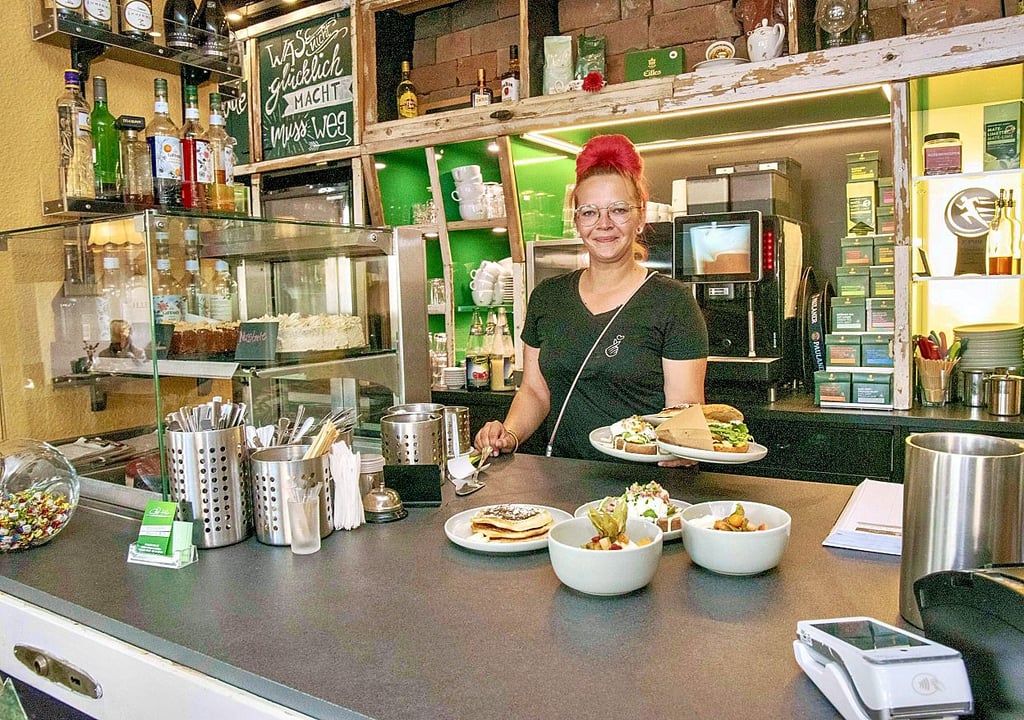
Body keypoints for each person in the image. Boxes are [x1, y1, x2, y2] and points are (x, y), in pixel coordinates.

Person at [474, 134, 708, 465]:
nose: (604, 224)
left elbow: (683, 409)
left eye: (619, 210)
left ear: (640, 218)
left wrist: (683, 451)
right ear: (577, 222)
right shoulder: (548, 297)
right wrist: (508, 434)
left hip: (641, 487)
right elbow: (535, 392)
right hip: (561, 479)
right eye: (589, 212)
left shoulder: (672, 302)